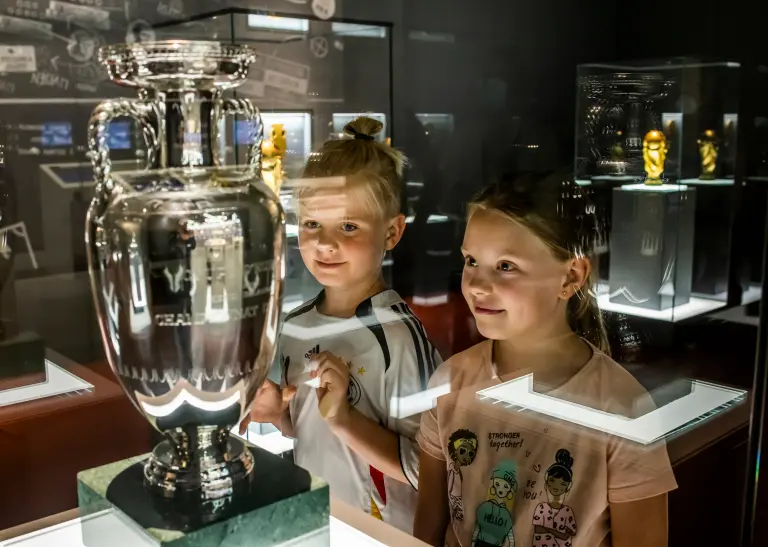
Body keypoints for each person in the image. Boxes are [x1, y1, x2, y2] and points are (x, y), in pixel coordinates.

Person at [414, 171, 677, 547]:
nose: (475, 284)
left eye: (506, 266)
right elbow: (428, 529)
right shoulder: (449, 382)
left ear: (570, 276)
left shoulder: (626, 411)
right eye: (471, 260)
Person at [239, 116, 440, 532]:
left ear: (392, 232)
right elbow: (309, 432)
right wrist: (279, 415)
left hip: (382, 534)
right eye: (312, 223)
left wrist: (344, 419)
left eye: (348, 226)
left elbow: (430, 469)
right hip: (317, 523)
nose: (325, 243)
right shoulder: (296, 326)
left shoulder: (398, 337)